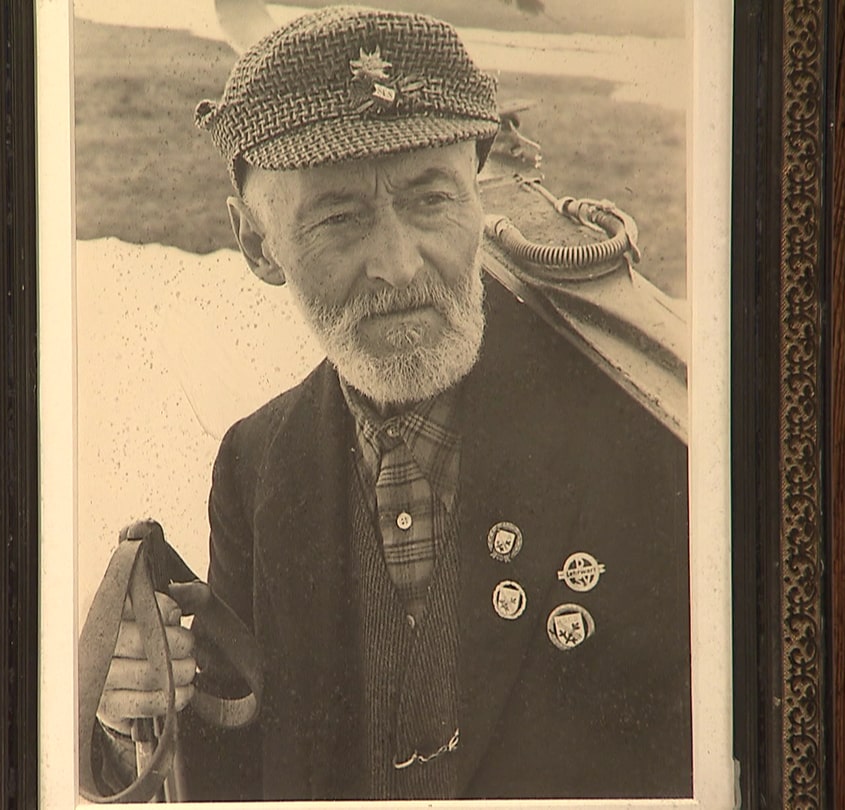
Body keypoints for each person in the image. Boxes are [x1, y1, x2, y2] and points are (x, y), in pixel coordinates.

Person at [92, 5, 692, 801]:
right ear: (256, 244)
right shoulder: (256, 462)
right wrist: (136, 715)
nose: (400, 266)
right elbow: (250, 774)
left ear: (479, 199)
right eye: (339, 217)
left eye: (432, 200)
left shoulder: (650, 425)